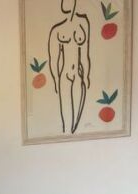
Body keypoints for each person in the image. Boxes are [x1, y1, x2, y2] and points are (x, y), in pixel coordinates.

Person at [48, 0, 91, 134]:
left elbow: (85, 55)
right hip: (65, 74)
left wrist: (86, 76)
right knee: (66, 115)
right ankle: (67, 134)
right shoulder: (57, 30)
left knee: (76, 118)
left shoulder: (83, 24)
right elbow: (54, 59)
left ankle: (72, 135)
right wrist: (56, 79)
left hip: (78, 74)